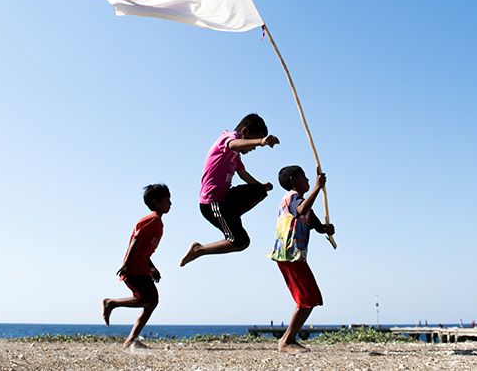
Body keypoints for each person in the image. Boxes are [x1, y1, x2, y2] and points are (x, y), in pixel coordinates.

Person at [180, 114, 279, 266]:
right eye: (252, 142)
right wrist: (260, 142)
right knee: (241, 242)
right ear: (244, 132)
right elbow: (233, 144)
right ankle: (199, 249)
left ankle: (233, 214)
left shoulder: (236, 156)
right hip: (213, 202)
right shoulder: (228, 138)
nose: (252, 148)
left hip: (225, 199)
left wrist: (261, 186)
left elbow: (244, 175)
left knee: (260, 191)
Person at [268, 165, 335, 353]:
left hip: (296, 256)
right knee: (307, 298)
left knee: (310, 297)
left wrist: (326, 230)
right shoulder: (290, 197)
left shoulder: (302, 201)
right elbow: (299, 211)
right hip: (288, 254)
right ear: (293, 180)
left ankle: (288, 339)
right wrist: (317, 187)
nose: (307, 180)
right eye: (303, 177)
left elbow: (316, 224)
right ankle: (287, 341)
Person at [102, 184, 171, 350]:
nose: (170, 204)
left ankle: (131, 340)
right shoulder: (152, 219)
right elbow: (136, 240)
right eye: (167, 200)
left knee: (152, 302)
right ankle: (111, 303)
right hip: (133, 269)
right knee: (149, 300)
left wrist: (152, 268)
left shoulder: (158, 223)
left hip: (141, 267)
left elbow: (144, 250)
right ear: (156, 202)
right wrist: (126, 264)